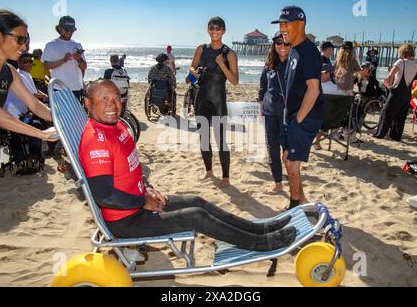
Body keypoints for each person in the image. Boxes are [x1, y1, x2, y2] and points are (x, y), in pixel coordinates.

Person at [78, 79, 297, 250]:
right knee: (196, 216)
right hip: (126, 219)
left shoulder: (117, 126)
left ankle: (259, 228)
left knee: (196, 200)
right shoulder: (95, 140)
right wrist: (143, 200)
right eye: (104, 99)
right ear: (88, 103)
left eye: (116, 98)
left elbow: (131, 167)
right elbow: (104, 195)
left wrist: (147, 187)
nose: (113, 105)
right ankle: (263, 243)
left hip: (139, 201)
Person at [0, 10, 57, 191]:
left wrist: (62, 121)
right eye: (20, 40)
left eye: (26, 41)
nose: (25, 47)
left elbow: (33, 104)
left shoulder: (9, 71)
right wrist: (41, 134)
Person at [271, 6, 324, 210]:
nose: (283, 28)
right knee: (286, 158)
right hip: (292, 115)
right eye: (281, 24)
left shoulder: (309, 51)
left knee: (292, 163)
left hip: (305, 116)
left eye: (286, 23)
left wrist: (298, 120)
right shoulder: (293, 49)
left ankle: (294, 210)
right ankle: (301, 201)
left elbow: (314, 90)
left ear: (300, 24)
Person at [189, 17, 239, 188]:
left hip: (218, 101)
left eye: (218, 28)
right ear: (208, 29)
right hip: (201, 99)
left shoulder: (229, 53)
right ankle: (209, 171)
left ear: (223, 31)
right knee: (204, 139)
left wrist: (222, 64)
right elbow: (192, 68)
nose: (214, 31)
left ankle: (225, 176)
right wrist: (192, 73)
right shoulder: (201, 49)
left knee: (220, 140)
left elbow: (234, 80)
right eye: (212, 28)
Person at [3, 52, 48, 173]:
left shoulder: (26, 75)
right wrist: (46, 97)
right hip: (14, 114)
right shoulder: (20, 75)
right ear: (18, 62)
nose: (28, 64)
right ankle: (25, 159)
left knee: (36, 124)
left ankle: (34, 157)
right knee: (34, 126)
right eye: (25, 61)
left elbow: (34, 93)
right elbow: (33, 95)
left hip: (22, 112)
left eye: (30, 62)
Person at [258, 31, 291, 194]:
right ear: (274, 44)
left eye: (286, 43)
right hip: (269, 112)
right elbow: (263, 85)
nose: (282, 46)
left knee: (289, 152)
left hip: (288, 114)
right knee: (272, 150)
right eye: (279, 42)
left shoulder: (295, 65)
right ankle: (278, 183)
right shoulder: (269, 63)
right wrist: (261, 106)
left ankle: (294, 185)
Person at [373, 44, 417, 141]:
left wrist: (389, 86)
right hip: (407, 93)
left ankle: (380, 133)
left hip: (397, 91)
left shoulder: (401, 62)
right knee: (400, 116)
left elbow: (390, 75)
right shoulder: (415, 65)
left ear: (402, 52)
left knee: (386, 112)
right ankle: (396, 136)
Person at [42, 15, 87, 101]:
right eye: (67, 29)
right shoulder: (51, 45)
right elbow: (46, 66)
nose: (69, 32)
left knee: (76, 114)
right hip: (59, 88)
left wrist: (79, 59)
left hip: (76, 88)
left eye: (72, 30)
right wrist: (63, 60)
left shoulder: (77, 45)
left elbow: (84, 67)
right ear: (60, 29)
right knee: (61, 114)